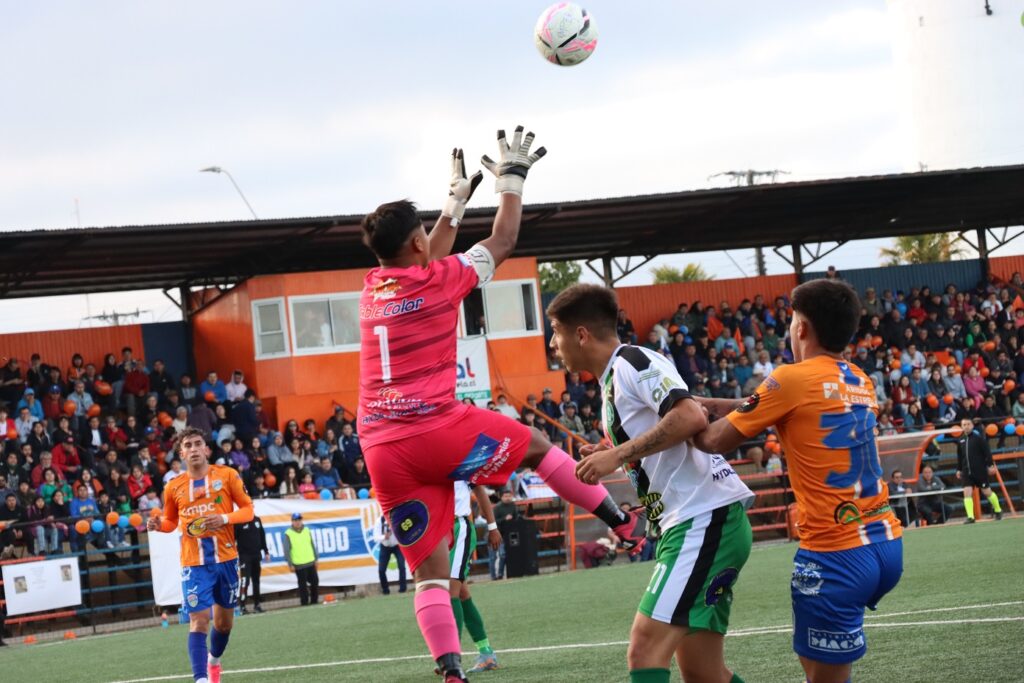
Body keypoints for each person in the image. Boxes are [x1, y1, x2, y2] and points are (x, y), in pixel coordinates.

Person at [356, 133, 644, 682]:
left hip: (381, 448)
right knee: (537, 447)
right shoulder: (439, 281)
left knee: (431, 576)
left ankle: (451, 671)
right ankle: (623, 524)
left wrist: (453, 206)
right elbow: (505, 238)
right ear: (416, 242)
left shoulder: (373, 287)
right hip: (432, 427)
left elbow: (427, 252)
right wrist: (511, 180)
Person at [693, 279, 903, 683]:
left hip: (835, 552)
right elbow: (788, 406)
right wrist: (718, 404)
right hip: (885, 542)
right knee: (817, 663)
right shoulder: (860, 379)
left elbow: (712, 441)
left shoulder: (789, 378)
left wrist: (682, 417)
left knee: (823, 676)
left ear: (801, 328)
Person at [548, 283, 754, 683]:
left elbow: (689, 416)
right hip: (698, 520)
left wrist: (616, 455)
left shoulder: (632, 361)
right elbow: (663, 426)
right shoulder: (614, 378)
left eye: (556, 332)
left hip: (703, 518)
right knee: (703, 673)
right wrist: (611, 448)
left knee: (644, 650)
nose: (554, 344)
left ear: (581, 334)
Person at [147, 427, 254, 683]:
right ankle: (201, 679)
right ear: (181, 454)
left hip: (226, 560)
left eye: (197, 444)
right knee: (199, 621)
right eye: (188, 446)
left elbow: (248, 510)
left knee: (224, 624)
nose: (194, 449)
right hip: (194, 564)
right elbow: (170, 522)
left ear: (206, 449)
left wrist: (224, 518)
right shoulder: (173, 487)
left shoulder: (227, 475)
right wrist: (158, 525)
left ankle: (213, 661)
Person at [447, 482, 502, 674]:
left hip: (459, 528)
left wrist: (492, 527)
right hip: (438, 530)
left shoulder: (462, 464)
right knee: (462, 594)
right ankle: (486, 653)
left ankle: (450, 658)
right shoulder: (427, 464)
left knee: (449, 592)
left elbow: (479, 489)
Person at [955, 418, 1003, 523]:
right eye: (964, 424)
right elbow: (960, 457)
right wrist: (959, 469)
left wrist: (990, 465)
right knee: (967, 492)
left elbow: (987, 453)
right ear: (961, 426)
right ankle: (970, 517)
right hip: (966, 472)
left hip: (979, 471)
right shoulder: (960, 440)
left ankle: (998, 510)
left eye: (968, 424)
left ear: (972, 426)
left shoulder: (979, 439)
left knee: (987, 492)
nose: (966, 426)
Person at [234, 515, 269, 614]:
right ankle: (242, 607)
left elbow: (262, 535)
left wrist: (266, 551)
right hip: (245, 557)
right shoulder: (238, 521)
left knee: (256, 581)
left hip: (256, 555)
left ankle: (257, 605)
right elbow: (233, 538)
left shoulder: (257, 519)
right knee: (245, 581)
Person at [283, 513, 319, 606]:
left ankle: (314, 601)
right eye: (295, 520)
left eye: (299, 520)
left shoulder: (307, 530)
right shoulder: (288, 533)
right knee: (302, 585)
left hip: (311, 562)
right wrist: (290, 564)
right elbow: (286, 550)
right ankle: (304, 602)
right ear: (292, 521)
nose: (298, 522)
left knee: (315, 582)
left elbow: (312, 544)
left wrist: (316, 558)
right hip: (299, 564)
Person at [373, 512, 407, 595]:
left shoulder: (397, 518)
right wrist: (384, 537)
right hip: (385, 546)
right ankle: (385, 590)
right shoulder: (379, 521)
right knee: (381, 570)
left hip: (397, 545)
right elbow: (375, 537)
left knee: (402, 567)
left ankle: (402, 589)